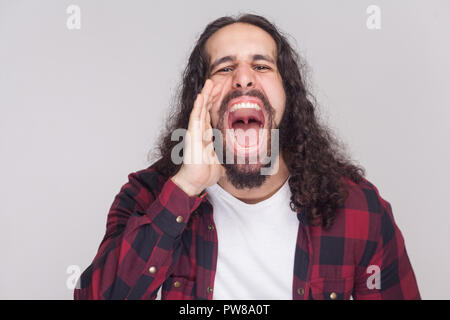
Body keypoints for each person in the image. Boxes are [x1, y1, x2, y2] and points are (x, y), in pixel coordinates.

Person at [74, 14, 420, 300]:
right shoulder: (148, 196)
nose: (243, 79)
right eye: (224, 69)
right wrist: (184, 188)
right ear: (200, 100)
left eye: (262, 66)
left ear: (288, 95)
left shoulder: (358, 207)